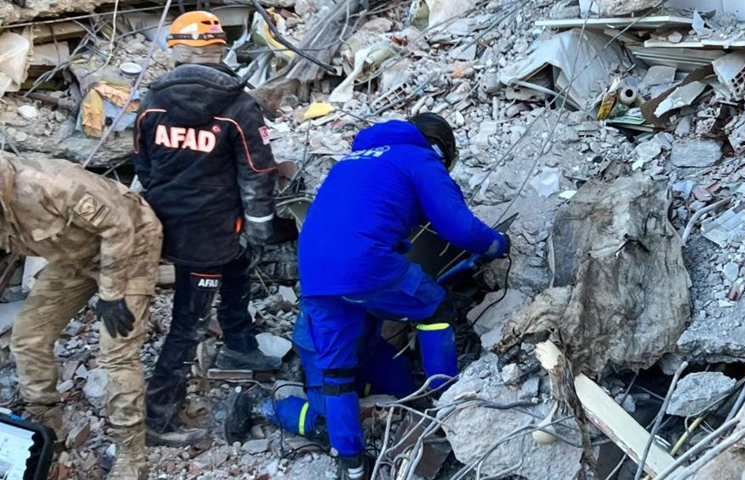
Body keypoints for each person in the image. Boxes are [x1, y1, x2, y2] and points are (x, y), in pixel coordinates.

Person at [239, 114, 509, 479]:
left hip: (317, 275)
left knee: (338, 372)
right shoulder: (418, 157)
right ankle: (445, 404)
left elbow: (355, 217)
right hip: (364, 265)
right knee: (434, 307)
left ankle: (352, 465)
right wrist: (496, 245)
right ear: (439, 149)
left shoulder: (351, 162)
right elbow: (457, 225)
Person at [132, 10, 282, 447]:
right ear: (220, 50)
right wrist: (260, 228)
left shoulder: (152, 104)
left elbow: (143, 164)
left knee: (234, 270)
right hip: (216, 226)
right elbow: (259, 171)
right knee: (188, 322)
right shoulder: (238, 106)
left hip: (169, 224)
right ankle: (157, 416)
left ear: (176, 51)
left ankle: (238, 341)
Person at [0, 151, 162, 480]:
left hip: (132, 244)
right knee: (28, 337)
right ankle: (45, 434)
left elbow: (118, 228)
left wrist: (112, 295)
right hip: (74, 256)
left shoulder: (49, 186)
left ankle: (132, 456)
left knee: (116, 353)